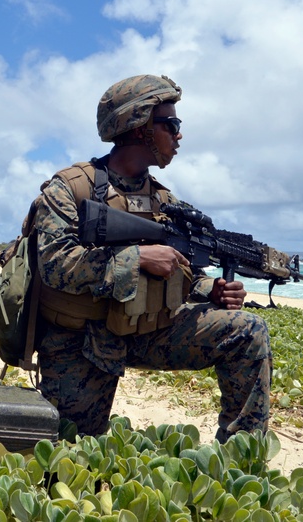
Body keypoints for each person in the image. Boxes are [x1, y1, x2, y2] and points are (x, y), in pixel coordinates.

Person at [32, 73, 271, 442]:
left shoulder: (165, 201)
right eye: (171, 124)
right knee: (71, 453)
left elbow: (183, 269)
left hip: (145, 329)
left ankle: (240, 456)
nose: (179, 135)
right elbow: (53, 263)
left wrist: (212, 290)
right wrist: (137, 257)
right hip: (80, 338)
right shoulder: (69, 189)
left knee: (247, 331)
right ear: (139, 126)